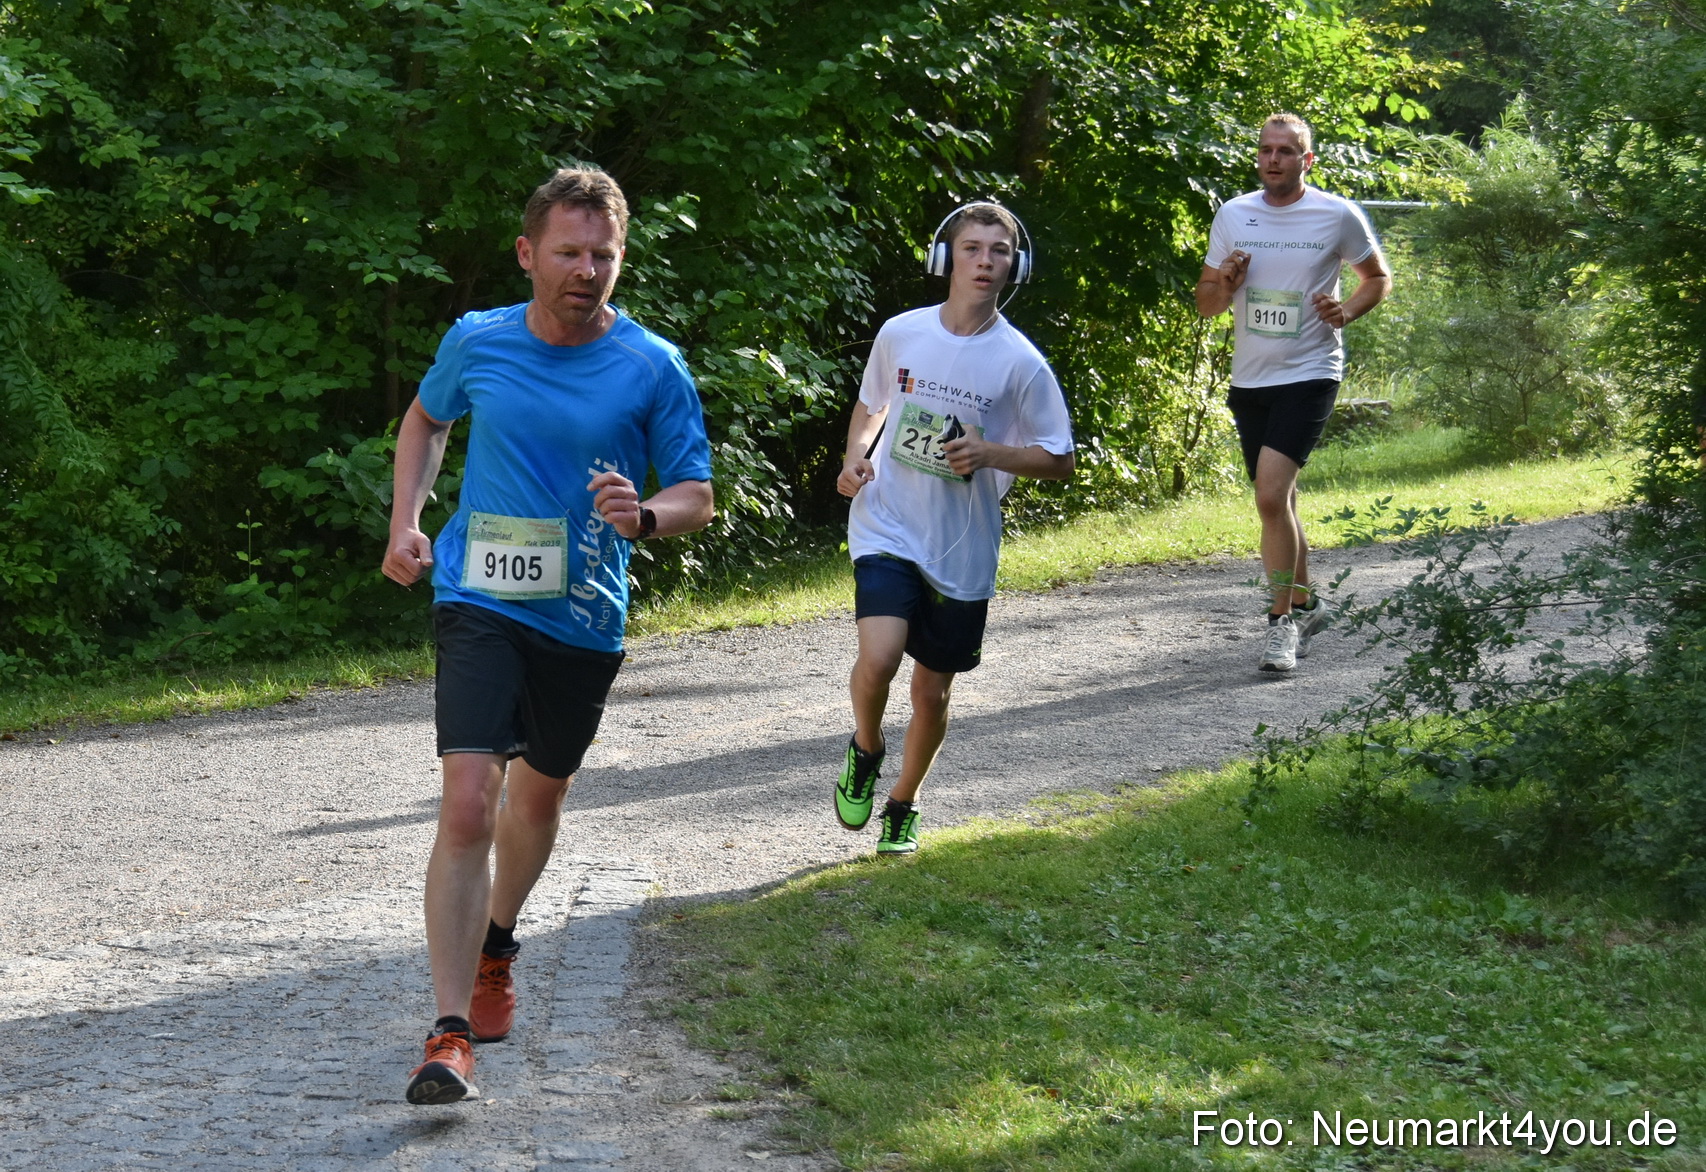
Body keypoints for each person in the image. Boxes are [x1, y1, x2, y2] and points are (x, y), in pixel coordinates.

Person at [382, 166, 714, 1105]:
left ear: (621, 259)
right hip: (478, 597)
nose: (586, 270)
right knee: (468, 804)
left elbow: (697, 492)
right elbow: (426, 419)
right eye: (568, 252)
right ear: (529, 254)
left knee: (538, 797)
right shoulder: (477, 339)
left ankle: (497, 944)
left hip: (584, 616)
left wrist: (645, 516)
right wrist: (407, 520)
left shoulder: (652, 365)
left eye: (602, 255)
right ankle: (449, 1033)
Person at [834, 202, 1075, 853]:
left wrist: (991, 453)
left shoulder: (1021, 363)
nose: (984, 261)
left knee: (932, 692)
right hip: (887, 522)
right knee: (879, 658)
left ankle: (904, 803)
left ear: (1015, 267)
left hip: (962, 546)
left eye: (999, 251)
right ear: (946, 258)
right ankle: (866, 746)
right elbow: (871, 405)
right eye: (972, 248)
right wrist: (855, 457)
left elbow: (1060, 459)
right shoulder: (902, 332)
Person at [1196, 113, 1391, 673]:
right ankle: (1308, 605)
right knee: (1281, 502)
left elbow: (1377, 278)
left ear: (1307, 160)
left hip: (1310, 372)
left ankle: (1280, 623)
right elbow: (1206, 304)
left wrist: (1345, 310)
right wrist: (1225, 282)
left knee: (1269, 496)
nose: (1274, 159)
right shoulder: (1234, 214)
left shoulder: (1336, 214)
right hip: (1250, 379)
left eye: (1286, 151)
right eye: (1266, 150)